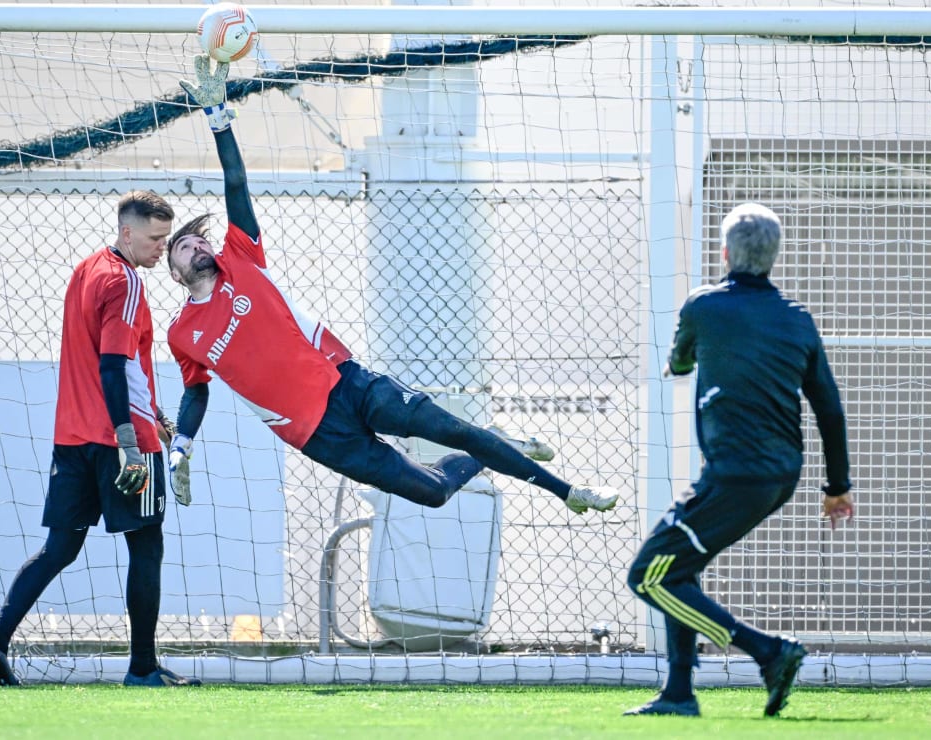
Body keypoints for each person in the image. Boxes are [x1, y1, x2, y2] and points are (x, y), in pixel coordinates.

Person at [162, 56, 619, 518]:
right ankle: (495, 443)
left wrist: (218, 118)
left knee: (454, 431)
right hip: (316, 435)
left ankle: (569, 492)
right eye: (184, 247)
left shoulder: (241, 261)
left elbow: (236, 182)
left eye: (201, 239)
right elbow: (196, 390)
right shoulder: (182, 334)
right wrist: (181, 445)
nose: (198, 246)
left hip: (349, 384)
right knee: (434, 492)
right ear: (176, 275)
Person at [624, 203, 855, 718]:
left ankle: (768, 652)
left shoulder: (704, 306)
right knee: (679, 566)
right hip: (780, 476)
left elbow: (680, 362)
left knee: (649, 576)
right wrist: (837, 487)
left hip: (735, 476)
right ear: (773, 257)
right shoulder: (798, 318)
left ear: (726, 253)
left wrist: (684, 358)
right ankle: (679, 694)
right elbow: (829, 407)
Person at [0, 191, 199, 687]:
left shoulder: (85, 270)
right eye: (156, 238)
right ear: (127, 233)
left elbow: (119, 366)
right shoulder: (127, 283)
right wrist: (131, 440)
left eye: (166, 237)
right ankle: (142, 668)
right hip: (122, 443)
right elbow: (113, 366)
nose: (162, 248)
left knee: (58, 550)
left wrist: (156, 413)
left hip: (72, 438)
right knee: (147, 548)